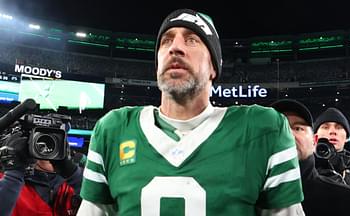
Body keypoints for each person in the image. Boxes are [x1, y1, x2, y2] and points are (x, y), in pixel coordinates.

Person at [77, 8, 304, 215]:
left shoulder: (262, 129)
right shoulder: (113, 129)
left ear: (214, 67)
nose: (175, 48)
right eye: (166, 41)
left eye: (192, 40)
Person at [271, 99, 350, 216]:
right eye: (325, 127)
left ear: (347, 137)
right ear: (315, 137)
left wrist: (347, 196)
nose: (332, 132)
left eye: (339, 127)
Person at [0, 131, 83, 215]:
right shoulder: (7, 181)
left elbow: (94, 206)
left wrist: (74, 174)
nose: (49, 149)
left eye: (55, 141)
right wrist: (13, 175)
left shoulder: (72, 183)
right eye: (41, 144)